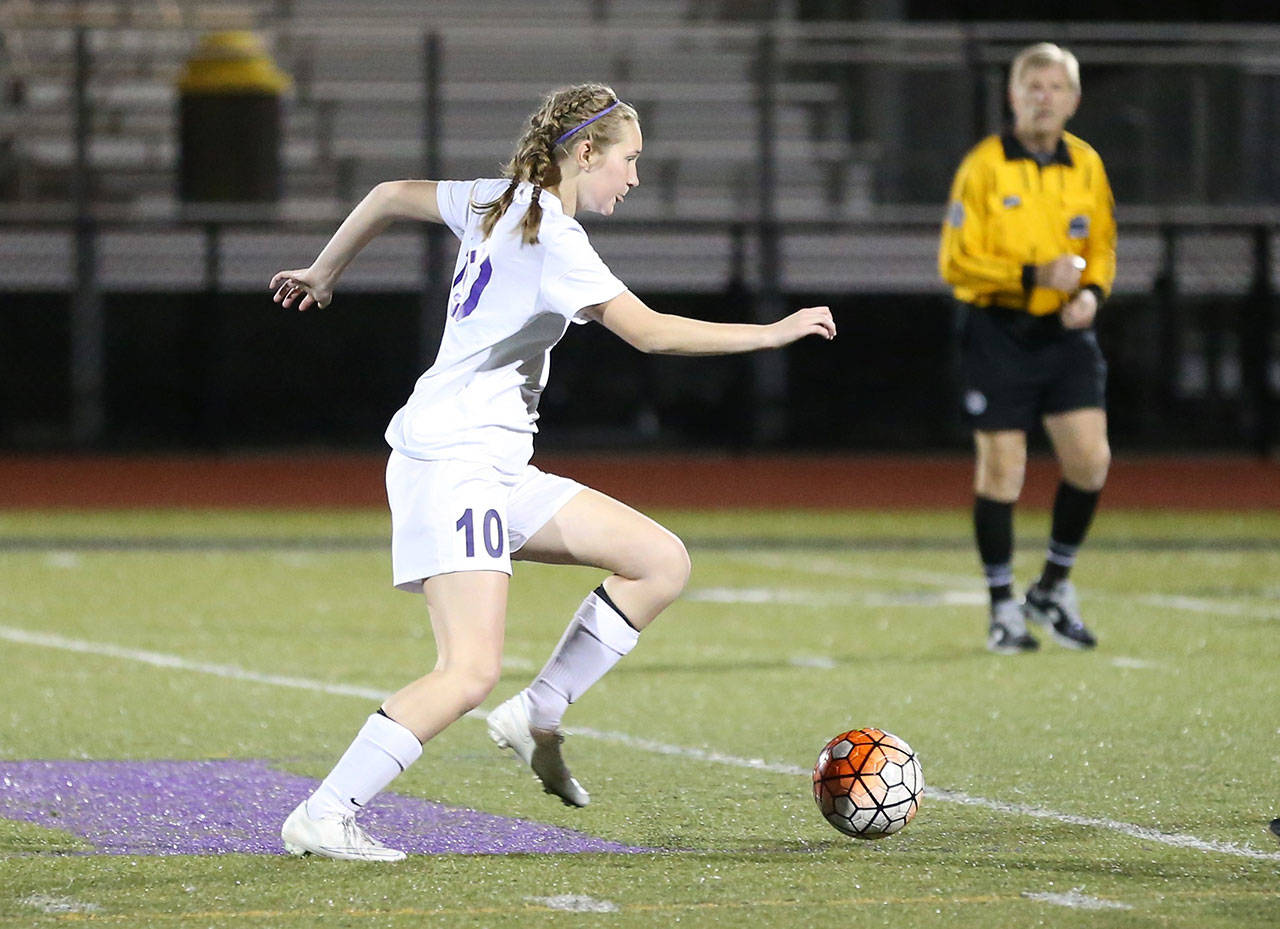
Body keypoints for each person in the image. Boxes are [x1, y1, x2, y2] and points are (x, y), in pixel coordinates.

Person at [269, 82, 836, 861]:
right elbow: (652, 334)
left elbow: (388, 194)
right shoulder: (555, 238)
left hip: (493, 463)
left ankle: (538, 707)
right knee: (467, 670)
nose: (633, 178)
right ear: (584, 152)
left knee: (659, 561)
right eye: (627, 161)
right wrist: (772, 334)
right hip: (455, 461)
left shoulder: (495, 198)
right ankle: (326, 811)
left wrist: (324, 270)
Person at [938, 43, 1117, 655]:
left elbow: (1103, 245)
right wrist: (1031, 277)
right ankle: (1002, 607)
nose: (1043, 97)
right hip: (998, 330)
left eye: (1055, 87)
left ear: (1073, 98)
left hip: (1064, 334)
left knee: (1090, 462)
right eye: (1032, 87)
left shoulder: (1086, 163)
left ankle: (1052, 587)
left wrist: (1091, 290)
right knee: (1003, 470)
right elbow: (957, 261)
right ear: (1013, 97)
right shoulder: (985, 166)